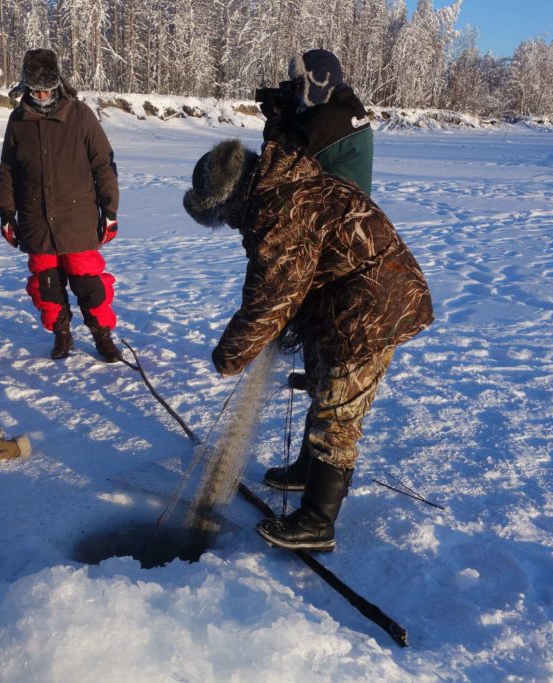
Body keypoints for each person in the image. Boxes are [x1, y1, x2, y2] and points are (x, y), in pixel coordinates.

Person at [183, 138, 434, 551]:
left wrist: (230, 354)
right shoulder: (282, 184)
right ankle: (306, 470)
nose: (228, 223)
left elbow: (270, 298)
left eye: (223, 215)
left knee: (337, 408)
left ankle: (318, 522)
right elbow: (299, 274)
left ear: (230, 196)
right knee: (321, 383)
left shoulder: (280, 208)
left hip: (373, 308)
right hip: (345, 299)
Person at [0, 48, 122, 362]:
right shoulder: (18, 120)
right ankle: (62, 334)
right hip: (35, 219)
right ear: (26, 86)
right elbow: (8, 170)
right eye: (35, 88)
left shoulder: (79, 114)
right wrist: (7, 213)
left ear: (57, 84)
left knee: (90, 284)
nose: (41, 94)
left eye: (47, 88)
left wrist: (109, 210)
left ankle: (101, 335)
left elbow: (103, 165)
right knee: (46, 286)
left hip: (77, 217)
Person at [260, 49, 373, 194]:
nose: (299, 94)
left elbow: (278, 169)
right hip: (352, 207)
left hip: (334, 212)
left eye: (302, 84)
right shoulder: (351, 107)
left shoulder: (327, 119)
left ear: (319, 82)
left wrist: (276, 119)